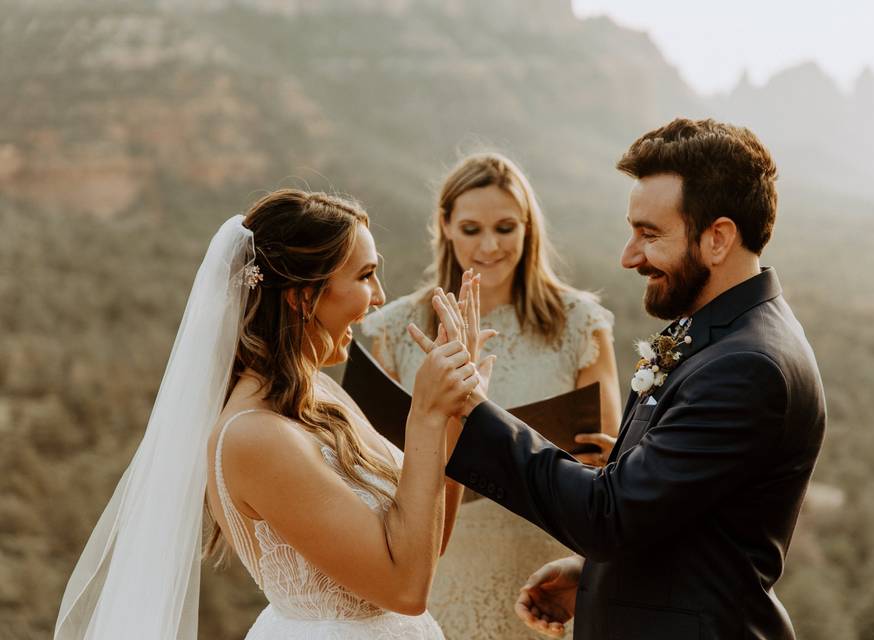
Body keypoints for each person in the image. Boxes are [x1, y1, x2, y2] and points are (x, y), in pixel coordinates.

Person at [443, 120, 827, 640]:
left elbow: (610, 513)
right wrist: (597, 579)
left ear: (718, 238)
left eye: (649, 234)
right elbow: (681, 512)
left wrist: (470, 410)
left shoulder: (748, 365)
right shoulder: (722, 334)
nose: (629, 256)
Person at [54, 189, 485, 639]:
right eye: (365, 275)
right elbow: (405, 590)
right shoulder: (253, 437)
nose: (378, 296)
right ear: (303, 297)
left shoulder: (320, 395)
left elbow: (423, 548)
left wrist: (454, 415)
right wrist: (426, 417)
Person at [362, 152, 621, 639]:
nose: (488, 246)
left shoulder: (579, 324)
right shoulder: (395, 329)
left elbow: (610, 464)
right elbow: (373, 464)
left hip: (543, 573)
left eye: (505, 228)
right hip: (437, 573)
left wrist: (610, 461)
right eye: (471, 228)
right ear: (445, 225)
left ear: (528, 228)